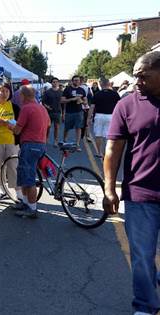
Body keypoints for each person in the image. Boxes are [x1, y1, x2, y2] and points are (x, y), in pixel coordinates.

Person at [103, 51, 160, 315]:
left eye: (143, 76)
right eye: (135, 76)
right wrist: (109, 188)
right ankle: (145, 307)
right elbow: (113, 149)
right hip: (140, 195)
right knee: (141, 257)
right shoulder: (126, 105)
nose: (137, 81)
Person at [8, 86, 50, 218]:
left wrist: (10, 126)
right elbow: (48, 125)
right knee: (25, 175)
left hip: (30, 145)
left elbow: (17, 131)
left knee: (29, 178)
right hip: (40, 144)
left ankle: (32, 209)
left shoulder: (26, 108)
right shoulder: (41, 107)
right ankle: (26, 203)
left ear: (22, 96)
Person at [92, 78, 120, 158]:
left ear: (101, 84)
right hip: (111, 116)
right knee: (108, 135)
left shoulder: (97, 94)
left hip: (99, 115)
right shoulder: (115, 94)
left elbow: (92, 106)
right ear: (109, 84)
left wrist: (88, 118)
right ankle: (107, 152)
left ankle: (99, 152)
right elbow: (119, 106)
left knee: (98, 135)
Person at [61, 75, 87, 150]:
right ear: (72, 81)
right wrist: (72, 99)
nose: (77, 81)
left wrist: (81, 101)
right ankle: (65, 141)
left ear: (80, 81)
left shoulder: (82, 90)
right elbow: (62, 100)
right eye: (75, 80)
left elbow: (86, 102)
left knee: (78, 128)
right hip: (69, 112)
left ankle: (77, 144)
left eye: (78, 80)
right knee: (67, 128)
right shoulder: (67, 89)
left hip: (79, 112)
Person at [42, 77, 63, 147]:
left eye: (56, 82)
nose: (55, 83)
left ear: (58, 83)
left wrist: (63, 113)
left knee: (56, 128)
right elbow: (43, 102)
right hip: (49, 113)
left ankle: (55, 141)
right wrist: (48, 107)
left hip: (58, 112)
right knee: (47, 127)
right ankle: (45, 140)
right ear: (51, 83)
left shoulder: (61, 92)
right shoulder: (47, 92)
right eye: (54, 82)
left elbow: (63, 103)